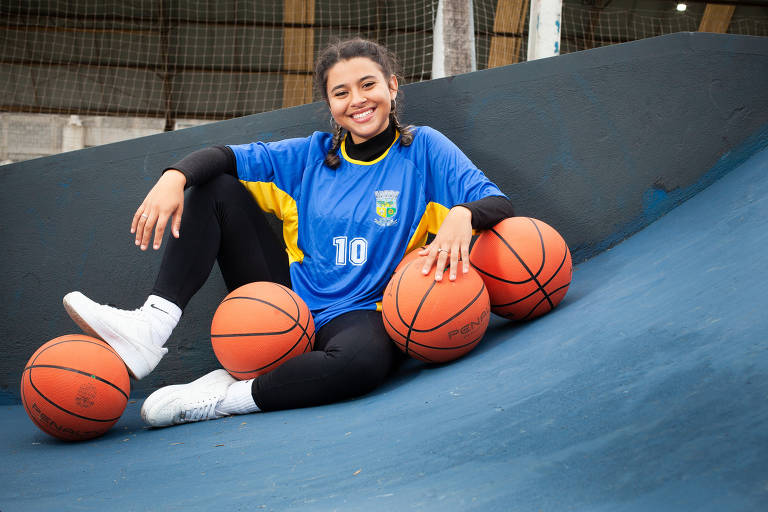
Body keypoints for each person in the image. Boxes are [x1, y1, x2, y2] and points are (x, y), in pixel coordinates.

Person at [63, 38, 515, 428]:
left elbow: (496, 201)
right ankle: (150, 326)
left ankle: (227, 397)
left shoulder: (425, 149)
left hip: (365, 311)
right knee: (213, 186)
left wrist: (463, 214)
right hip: (286, 304)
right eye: (341, 92)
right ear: (330, 106)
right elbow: (222, 156)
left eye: (368, 85)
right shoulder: (310, 156)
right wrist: (173, 177)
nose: (357, 99)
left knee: (363, 365)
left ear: (392, 86)